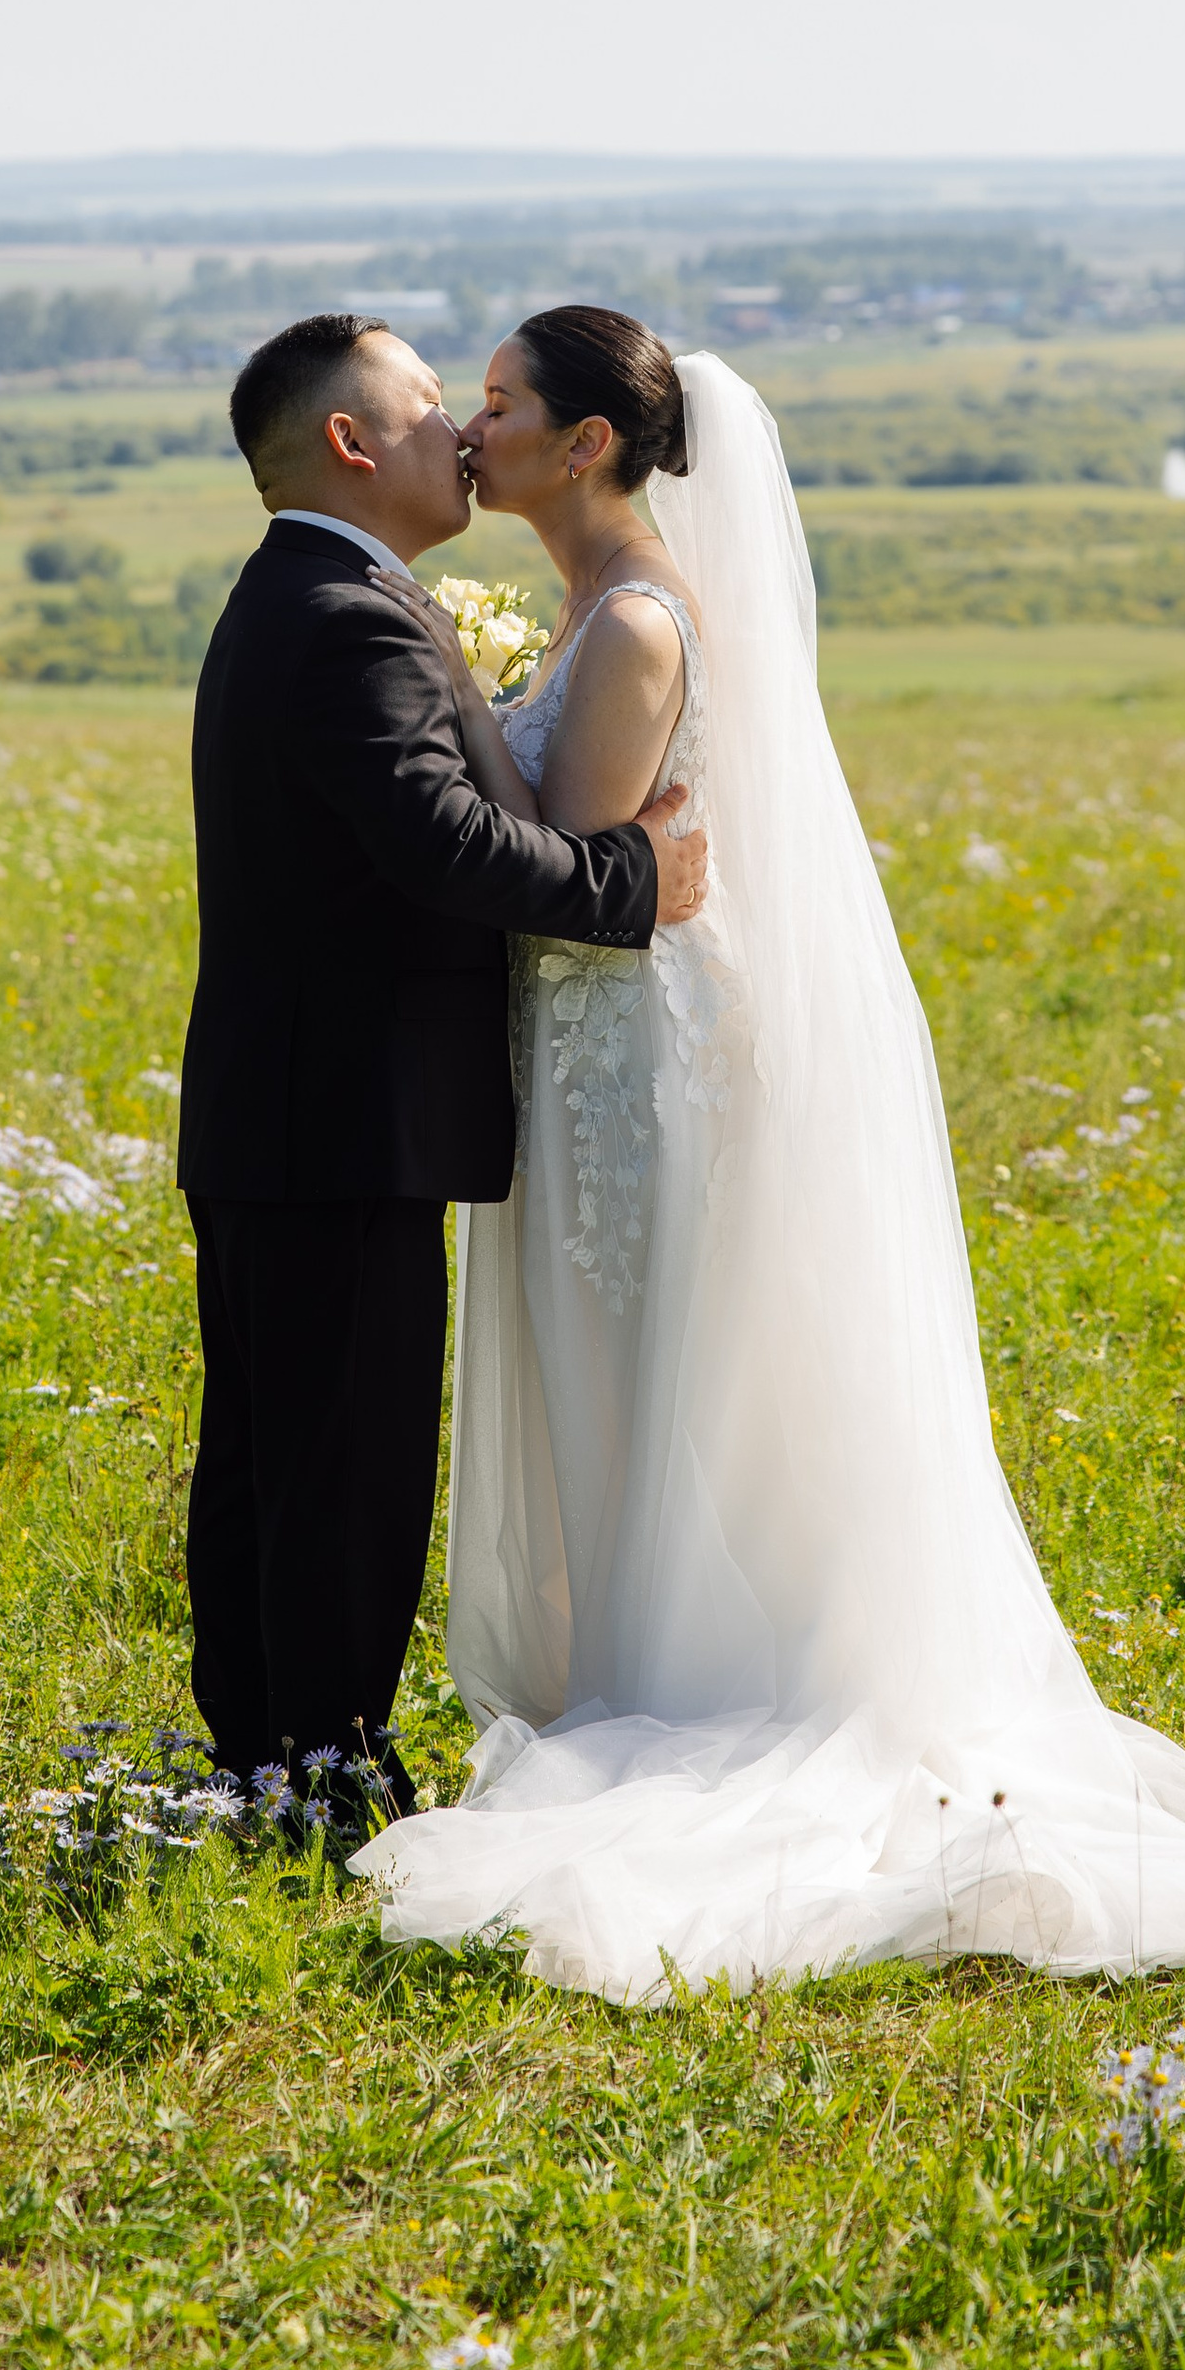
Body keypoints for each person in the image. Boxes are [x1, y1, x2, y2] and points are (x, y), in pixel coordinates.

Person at [351, 310, 1185, 1997]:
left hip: (635, 1062)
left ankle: (688, 1686)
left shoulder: (634, 626)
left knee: (652, 1359)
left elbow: (573, 864)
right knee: (624, 1361)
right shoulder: (604, 605)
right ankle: (630, 1655)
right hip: (600, 1051)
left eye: (507, 402)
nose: (476, 427)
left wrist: (448, 757)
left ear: (589, 444)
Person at [177, 312, 710, 1818]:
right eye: (431, 408)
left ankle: (273, 1757)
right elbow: (438, 842)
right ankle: (322, 1771)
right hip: (340, 1120)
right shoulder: (341, 613)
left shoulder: (323, 596)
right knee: (334, 1463)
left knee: (288, 1454)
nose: (461, 435)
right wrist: (630, 884)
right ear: (352, 444)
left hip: (305, 1115)